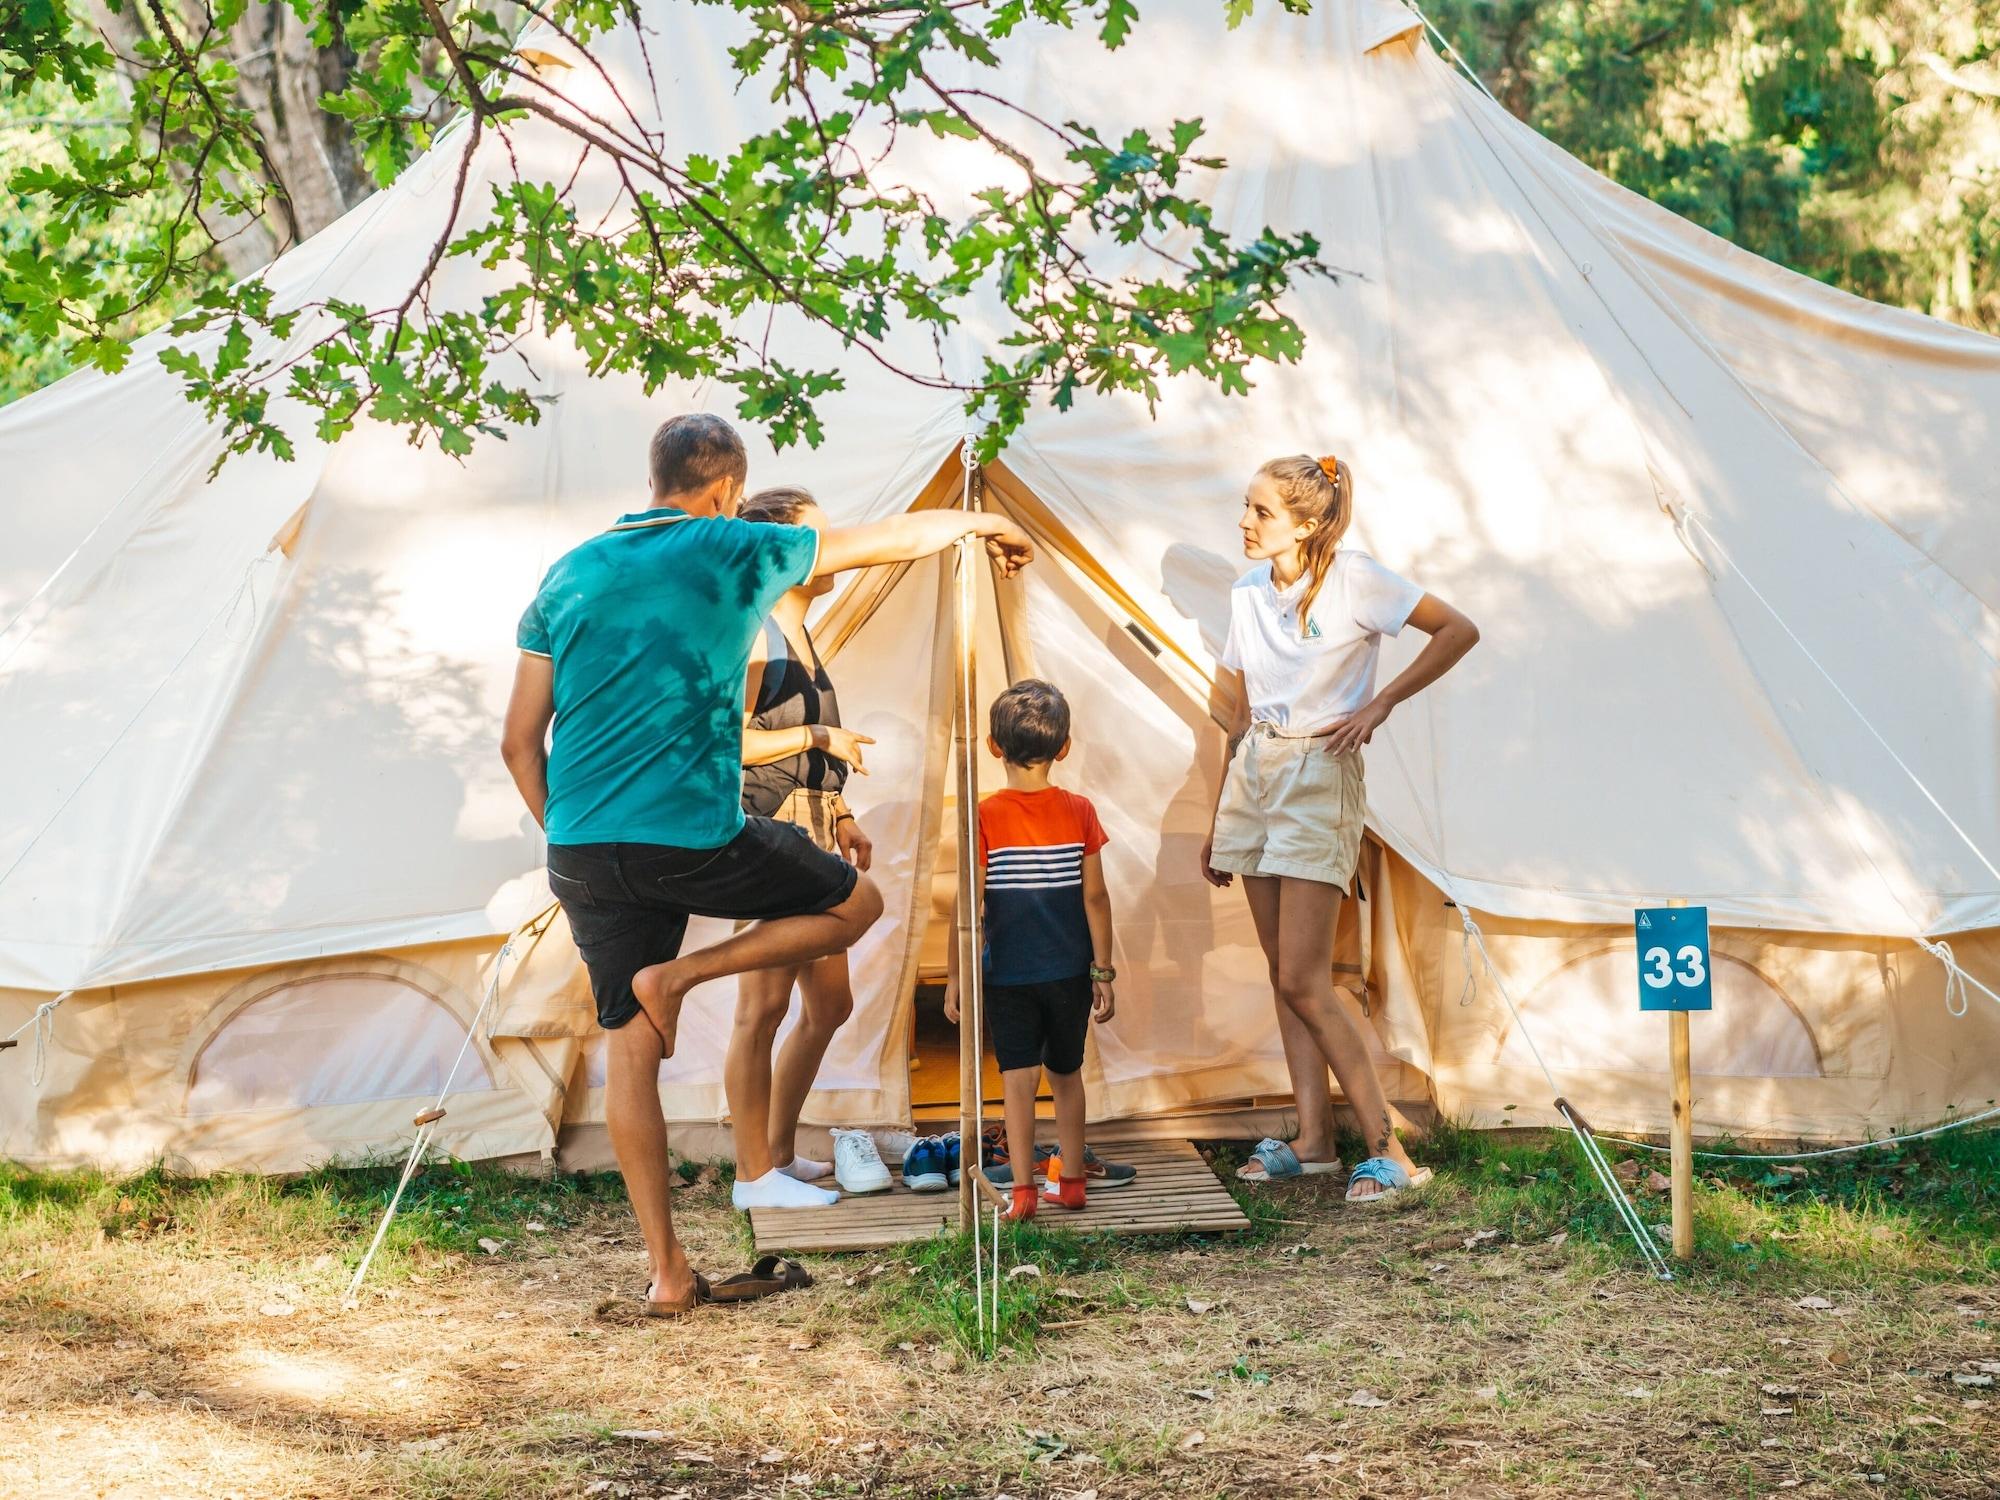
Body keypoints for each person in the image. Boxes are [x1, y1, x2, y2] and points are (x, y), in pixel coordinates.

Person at [501, 414, 1034, 1314]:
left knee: (628, 1050)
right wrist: (984, 524)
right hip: (692, 831)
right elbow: (882, 541)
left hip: (581, 844)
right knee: (856, 905)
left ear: (656, 476)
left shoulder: (569, 572)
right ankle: (682, 978)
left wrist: (571, 837)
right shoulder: (733, 545)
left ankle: (668, 1274)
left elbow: (520, 742)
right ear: (725, 492)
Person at [1200, 454, 1478, 1203]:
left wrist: (1381, 703)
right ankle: (1315, 1142)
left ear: (1308, 521)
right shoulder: (1247, 592)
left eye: (1260, 511)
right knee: (1284, 979)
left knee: (1303, 977)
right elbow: (1236, 712)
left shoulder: (1358, 578)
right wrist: (1218, 815)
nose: (1245, 523)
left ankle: (1392, 1152)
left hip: (1321, 771)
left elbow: (1458, 629)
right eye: (1247, 507)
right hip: (1256, 770)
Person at [725, 486, 887, 1204]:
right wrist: (821, 737)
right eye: (813, 539)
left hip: (815, 831)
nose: (828, 551)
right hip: (768, 837)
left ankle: (781, 1151)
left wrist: (842, 811)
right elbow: (726, 743)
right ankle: (753, 1172)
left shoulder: (803, 634)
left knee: (829, 1005)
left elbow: (799, 749)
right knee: (760, 1009)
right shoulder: (755, 633)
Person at [944, 679, 1118, 1222]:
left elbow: (966, 905)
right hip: (1068, 971)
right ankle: (1070, 1182)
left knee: (1017, 1081)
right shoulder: (1080, 810)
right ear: (1063, 748)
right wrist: (1103, 971)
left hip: (1007, 974)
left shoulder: (983, 814)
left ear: (994, 748)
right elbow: (1096, 896)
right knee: (1067, 1074)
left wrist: (955, 976)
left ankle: (1021, 1193)